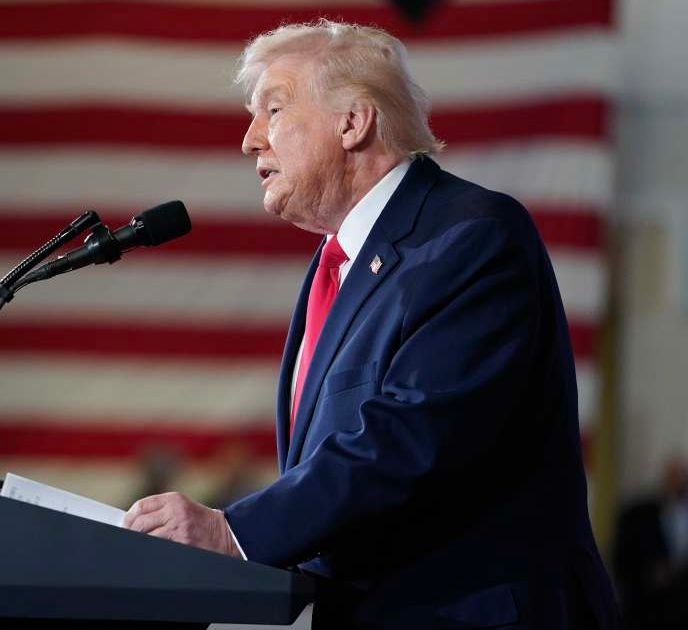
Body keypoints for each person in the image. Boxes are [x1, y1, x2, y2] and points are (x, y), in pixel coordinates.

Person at [123, 19, 618, 629]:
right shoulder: (338, 264)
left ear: (353, 123)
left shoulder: (470, 237)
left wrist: (236, 532)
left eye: (273, 110)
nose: (251, 140)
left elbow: (409, 438)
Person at [614, 456, 688, 629]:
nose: (680, 481)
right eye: (675, 475)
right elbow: (621, 558)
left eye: (683, 475)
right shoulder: (638, 514)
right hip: (644, 609)